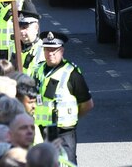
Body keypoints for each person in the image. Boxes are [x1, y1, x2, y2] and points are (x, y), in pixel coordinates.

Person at [32, 32, 93, 164]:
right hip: (40, 131)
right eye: (47, 49)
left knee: (67, 164)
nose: (50, 53)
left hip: (63, 132)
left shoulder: (72, 73)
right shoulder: (37, 70)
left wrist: (72, 117)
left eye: (54, 50)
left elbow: (87, 104)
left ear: (62, 50)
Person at [18, 9, 44, 76]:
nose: (21, 31)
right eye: (19, 27)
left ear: (36, 28)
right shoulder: (14, 46)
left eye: (25, 27)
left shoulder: (43, 50)